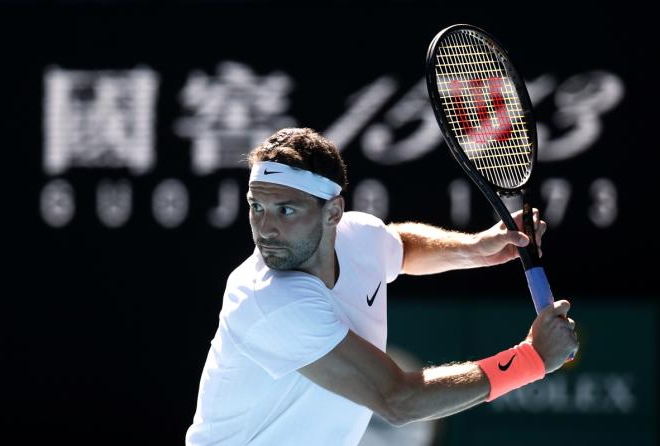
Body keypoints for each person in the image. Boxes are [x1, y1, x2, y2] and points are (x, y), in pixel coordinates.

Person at [185, 128, 579, 446]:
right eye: (256, 207)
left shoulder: (358, 236)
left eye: (286, 209)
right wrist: (532, 359)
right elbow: (398, 400)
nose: (265, 228)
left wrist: (475, 248)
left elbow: (399, 246)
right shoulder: (269, 300)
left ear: (333, 213)